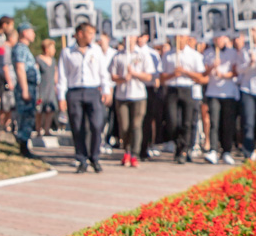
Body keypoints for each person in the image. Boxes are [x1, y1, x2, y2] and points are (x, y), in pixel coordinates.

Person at [59, 22, 108, 173]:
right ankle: (81, 158)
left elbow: (103, 72)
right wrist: (61, 97)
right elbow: (62, 76)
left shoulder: (96, 50)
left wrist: (106, 90)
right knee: (77, 126)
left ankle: (95, 157)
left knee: (96, 125)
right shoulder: (67, 52)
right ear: (80, 34)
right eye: (90, 33)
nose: (92, 36)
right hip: (74, 91)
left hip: (93, 91)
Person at [160, 34, 207, 164]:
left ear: (187, 38)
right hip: (172, 89)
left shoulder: (194, 55)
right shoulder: (168, 55)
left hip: (187, 88)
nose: (179, 39)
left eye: (182, 37)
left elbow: (200, 77)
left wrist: (185, 72)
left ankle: (184, 150)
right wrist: (172, 74)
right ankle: (178, 143)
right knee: (172, 121)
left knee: (187, 121)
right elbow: (162, 77)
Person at [110, 34, 151, 167]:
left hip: (138, 95)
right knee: (124, 126)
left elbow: (149, 76)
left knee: (136, 125)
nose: (128, 39)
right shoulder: (117, 56)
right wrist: (123, 78)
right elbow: (112, 76)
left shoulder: (142, 55)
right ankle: (126, 150)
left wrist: (135, 74)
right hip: (122, 96)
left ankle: (134, 153)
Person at [202, 34, 240, 165]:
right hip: (213, 92)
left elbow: (236, 72)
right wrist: (212, 67)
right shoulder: (208, 53)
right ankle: (213, 150)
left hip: (228, 93)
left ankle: (227, 151)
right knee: (214, 122)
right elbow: (204, 73)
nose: (218, 40)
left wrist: (224, 75)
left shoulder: (232, 52)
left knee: (227, 123)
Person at [9, 23, 39, 158]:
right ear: (25, 32)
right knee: (25, 116)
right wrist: (25, 89)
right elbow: (20, 69)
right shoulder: (20, 48)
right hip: (26, 86)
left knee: (29, 116)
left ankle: (25, 145)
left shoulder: (24, 48)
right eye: (32, 31)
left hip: (30, 86)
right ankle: (23, 147)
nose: (34, 34)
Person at [35, 39, 59, 138]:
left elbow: (55, 75)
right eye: (52, 48)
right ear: (46, 49)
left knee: (50, 109)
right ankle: (38, 129)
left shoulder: (53, 61)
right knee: (39, 109)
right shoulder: (38, 60)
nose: (54, 50)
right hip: (41, 88)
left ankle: (47, 129)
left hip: (51, 88)